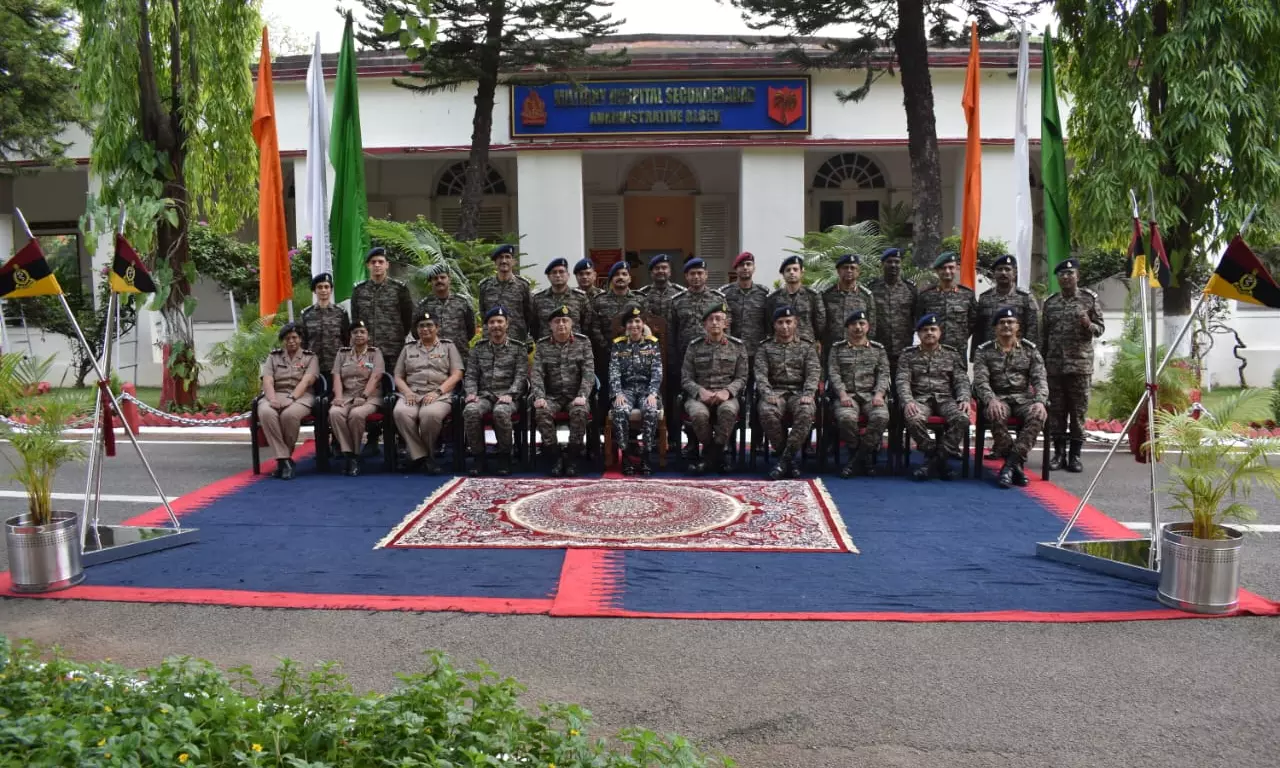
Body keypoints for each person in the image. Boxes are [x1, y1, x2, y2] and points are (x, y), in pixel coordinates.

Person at [974, 307, 1049, 488]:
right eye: (1002, 323)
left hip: (1023, 398)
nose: (1006, 325)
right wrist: (991, 400)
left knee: (1037, 415)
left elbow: (1040, 379)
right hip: (998, 398)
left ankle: (1009, 465)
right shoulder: (984, 351)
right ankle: (1016, 466)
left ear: (1018, 326)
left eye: (1010, 322)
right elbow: (980, 381)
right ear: (995, 328)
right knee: (996, 413)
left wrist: (1040, 401)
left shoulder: (1030, 350)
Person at [1041, 258, 1104, 473]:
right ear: (1058, 278)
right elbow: (1044, 336)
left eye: (1070, 274)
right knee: (1056, 412)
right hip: (1055, 367)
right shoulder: (1050, 303)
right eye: (1062, 274)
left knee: (1077, 413)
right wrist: (1041, 365)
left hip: (1079, 366)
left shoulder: (1088, 299)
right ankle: (1058, 454)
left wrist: (1088, 324)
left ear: (1077, 276)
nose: (1066, 277)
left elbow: (1100, 329)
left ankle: (1075, 456)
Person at [896, 313, 971, 481]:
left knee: (963, 418)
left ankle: (933, 462)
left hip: (946, 399)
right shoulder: (908, 355)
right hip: (920, 399)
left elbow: (961, 380)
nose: (929, 333)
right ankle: (937, 457)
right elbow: (902, 381)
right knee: (913, 418)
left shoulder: (951, 354)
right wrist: (908, 401)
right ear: (918, 334)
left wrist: (964, 398)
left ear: (940, 332)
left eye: (933, 329)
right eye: (925, 330)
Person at [754, 305, 821, 480]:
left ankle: (783, 461)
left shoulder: (807, 347)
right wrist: (767, 393)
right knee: (767, 411)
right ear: (774, 325)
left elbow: (813, 373)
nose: (785, 326)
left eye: (789, 322)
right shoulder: (765, 347)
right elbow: (760, 375)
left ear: (795, 323)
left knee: (806, 411)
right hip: (775, 392)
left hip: (800, 392)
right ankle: (790, 462)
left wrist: (809, 393)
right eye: (780, 322)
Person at [393, 312, 464, 474]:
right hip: (412, 393)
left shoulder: (448, 346)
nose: (425, 329)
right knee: (400, 412)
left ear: (437, 328)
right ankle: (424, 457)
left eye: (429, 325)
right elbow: (398, 376)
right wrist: (407, 392)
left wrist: (438, 391)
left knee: (429, 415)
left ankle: (421, 455)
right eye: (421, 326)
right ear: (417, 329)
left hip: (439, 394)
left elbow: (457, 374)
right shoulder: (408, 348)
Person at [681, 301, 747, 475]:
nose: (715, 322)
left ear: (726, 323)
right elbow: (686, 378)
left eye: (719, 319)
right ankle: (718, 456)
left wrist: (727, 391)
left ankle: (708, 458)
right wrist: (699, 391)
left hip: (727, 395)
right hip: (699, 396)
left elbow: (742, 377)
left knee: (728, 411)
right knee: (699, 415)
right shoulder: (694, 346)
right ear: (705, 324)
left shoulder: (737, 346)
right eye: (711, 319)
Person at [463, 306, 529, 476]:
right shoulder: (478, 348)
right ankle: (479, 457)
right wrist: (471, 393)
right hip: (484, 396)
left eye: (500, 321)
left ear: (507, 324)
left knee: (501, 412)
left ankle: (504, 456)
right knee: (470, 410)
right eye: (492, 322)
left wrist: (511, 394)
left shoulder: (518, 348)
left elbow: (521, 376)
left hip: (508, 396)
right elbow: (470, 375)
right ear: (487, 326)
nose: (496, 325)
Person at [531, 304, 595, 477]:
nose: (561, 324)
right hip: (552, 396)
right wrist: (539, 396)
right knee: (541, 412)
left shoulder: (583, 342)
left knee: (580, 411)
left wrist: (582, 395)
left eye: (565, 320)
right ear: (550, 325)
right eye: (557, 321)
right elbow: (536, 374)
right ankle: (555, 457)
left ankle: (573, 457)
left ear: (571, 323)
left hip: (576, 396)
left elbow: (588, 373)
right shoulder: (542, 345)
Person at [828, 309, 890, 478]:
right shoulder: (837, 349)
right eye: (853, 324)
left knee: (881, 416)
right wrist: (842, 394)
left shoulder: (878, 349)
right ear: (847, 327)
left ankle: (856, 459)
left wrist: (879, 394)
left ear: (868, 327)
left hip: (871, 396)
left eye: (862, 324)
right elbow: (834, 374)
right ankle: (865, 457)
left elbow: (884, 374)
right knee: (846, 418)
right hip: (846, 395)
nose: (858, 327)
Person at [257, 323, 319, 480]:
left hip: (302, 396)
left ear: (300, 339)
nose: (291, 341)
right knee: (266, 412)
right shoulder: (274, 357)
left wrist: (292, 398)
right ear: (282, 341)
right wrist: (272, 399)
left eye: (294, 337)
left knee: (289, 415)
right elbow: (268, 380)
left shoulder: (310, 357)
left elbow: (306, 381)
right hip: (275, 394)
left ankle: (283, 460)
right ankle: (285, 460)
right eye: (287, 338)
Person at [609, 304, 663, 476]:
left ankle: (646, 456)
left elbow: (657, 371)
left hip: (647, 390)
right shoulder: (618, 345)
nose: (634, 325)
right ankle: (625, 456)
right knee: (619, 410)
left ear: (643, 324)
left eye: (637, 321)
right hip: (626, 390)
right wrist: (617, 393)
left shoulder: (652, 344)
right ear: (626, 326)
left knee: (651, 410)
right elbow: (614, 372)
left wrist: (653, 393)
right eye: (630, 322)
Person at [328, 320, 383, 477]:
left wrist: (364, 396)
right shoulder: (342, 353)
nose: (359, 335)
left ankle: (356, 452)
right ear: (350, 336)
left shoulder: (375, 353)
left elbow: (376, 376)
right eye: (355, 332)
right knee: (334, 413)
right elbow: (336, 376)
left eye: (362, 332)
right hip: (346, 396)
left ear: (368, 336)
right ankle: (350, 455)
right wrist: (338, 397)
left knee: (357, 414)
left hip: (370, 396)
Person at [351, 247, 415, 373]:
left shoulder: (399, 289)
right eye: (373, 262)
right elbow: (355, 319)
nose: (377, 265)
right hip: (367, 349)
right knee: (367, 381)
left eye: (380, 262)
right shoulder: (359, 290)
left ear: (387, 265)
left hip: (393, 349)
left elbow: (407, 318)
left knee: (393, 381)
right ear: (368, 266)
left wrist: (395, 336)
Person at [587, 261, 637, 407]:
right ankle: (604, 421)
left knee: (632, 390)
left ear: (629, 278)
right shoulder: (599, 300)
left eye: (624, 274)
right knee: (605, 393)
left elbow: (645, 327)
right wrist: (609, 349)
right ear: (611, 279)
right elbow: (594, 329)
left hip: (634, 357)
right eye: (616, 275)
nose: (620, 277)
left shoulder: (639, 299)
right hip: (606, 355)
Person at [913, 251, 977, 357]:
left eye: (951, 268)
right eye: (943, 268)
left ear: (956, 269)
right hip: (932, 350)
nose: (947, 271)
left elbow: (973, 322)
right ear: (937, 271)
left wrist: (960, 337)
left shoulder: (967, 295)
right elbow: (919, 320)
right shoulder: (926, 296)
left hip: (958, 351)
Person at [820, 253, 876, 367]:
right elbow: (821, 323)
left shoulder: (866, 296)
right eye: (845, 267)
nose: (849, 270)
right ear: (838, 271)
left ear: (858, 272)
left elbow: (872, 324)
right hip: (832, 350)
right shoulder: (827, 295)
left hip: (858, 349)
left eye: (853, 268)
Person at [869, 247, 918, 376]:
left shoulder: (910, 289)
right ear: (882, 264)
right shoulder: (872, 289)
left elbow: (916, 315)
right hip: (878, 348)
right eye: (889, 262)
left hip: (904, 348)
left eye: (897, 262)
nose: (893, 265)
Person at [975, 254, 1039, 352]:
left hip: (1018, 353)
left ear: (1014, 273)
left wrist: (1029, 353)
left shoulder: (1025, 297)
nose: (1003, 273)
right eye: (999, 269)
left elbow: (1033, 329)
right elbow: (978, 330)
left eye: (1007, 269)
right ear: (994, 273)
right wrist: (975, 354)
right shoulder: (985, 297)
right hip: (989, 353)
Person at [416, 265, 476, 364]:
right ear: (431, 282)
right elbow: (416, 332)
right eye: (435, 278)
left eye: (443, 277)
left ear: (449, 279)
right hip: (433, 359)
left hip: (460, 356)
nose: (439, 280)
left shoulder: (463, 302)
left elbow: (471, 330)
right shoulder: (424, 305)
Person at [478, 244, 535, 342]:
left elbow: (529, 314)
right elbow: (483, 313)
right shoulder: (485, 286)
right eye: (500, 257)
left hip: (517, 340)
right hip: (491, 340)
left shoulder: (523, 285)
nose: (504, 261)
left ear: (513, 262)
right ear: (495, 262)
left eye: (507, 257)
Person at [299, 272, 350, 378]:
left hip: (336, 365)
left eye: (326, 287)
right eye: (320, 287)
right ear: (314, 290)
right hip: (313, 366)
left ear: (331, 290)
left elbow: (347, 339)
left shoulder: (340, 312)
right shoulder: (306, 314)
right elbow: (303, 341)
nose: (323, 290)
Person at [765, 255, 825, 346]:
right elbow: (769, 323)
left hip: (807, 345)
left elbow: (820, 322)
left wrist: (817, 339)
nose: (792, 272)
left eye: (795, 269)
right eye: (788, 270)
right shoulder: (773, 298)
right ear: (783, 274)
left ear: (802, 272)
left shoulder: (813, 296)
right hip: (781, 346)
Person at [718, 251, 769, 356]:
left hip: (757, 350)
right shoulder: (725, 293)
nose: (745, 267)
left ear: (754, 268)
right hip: (732, 349)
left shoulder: (764, 293)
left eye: (748, 264)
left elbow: (769, 322)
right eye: (741, 265)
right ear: (736, 269)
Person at [532, 257, 588, 339]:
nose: (558, 275)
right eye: (554, 272)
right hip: (547, 345)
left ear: (568, 275)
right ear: (548, 277)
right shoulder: (538, 298)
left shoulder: (580, 297)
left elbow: (587, 325)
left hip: (574, 345)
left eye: (561, 272)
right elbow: (534, 327)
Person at [636, 252, 685, 335]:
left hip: (675, 339)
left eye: (664, 268)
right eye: (657, 268)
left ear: (670, 272)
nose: (660, 271)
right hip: (649, 339)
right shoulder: (641, 294)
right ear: (651, 273)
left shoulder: (681, 293)